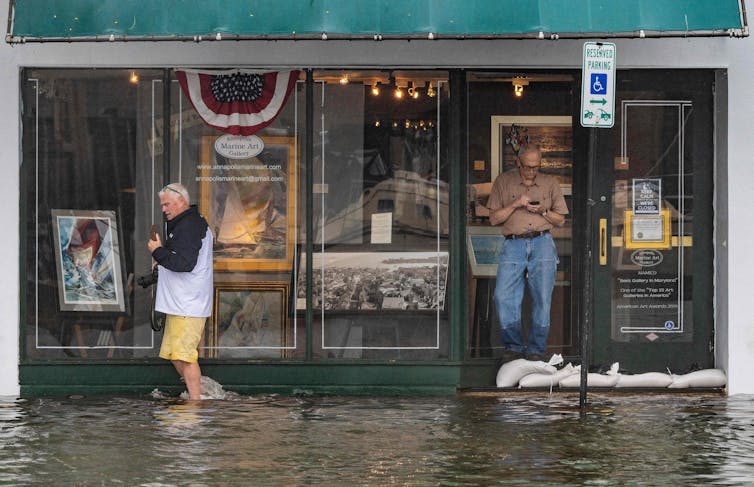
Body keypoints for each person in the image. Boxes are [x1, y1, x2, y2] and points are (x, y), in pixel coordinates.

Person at [486, 145, 568, 363]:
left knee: (542, 296)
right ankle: (513, 347)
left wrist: (542, 210)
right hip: (513, 243)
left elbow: (561, 220)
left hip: (543, 241)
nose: (532, 171)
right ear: (518, 163)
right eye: (528, 167)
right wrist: (516, 203)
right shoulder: (504, 181)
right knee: (503, 296)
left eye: (536, 167)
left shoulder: (550, 183)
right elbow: (494, 219)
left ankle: (536, 349)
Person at [147, 183, 213, 400]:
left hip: (188, 303)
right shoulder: (184, 225)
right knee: (175, 356)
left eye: (167, 204)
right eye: (162, 205)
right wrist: (162, 257)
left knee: (184, 356)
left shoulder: (190, 226)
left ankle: (196, 404)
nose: (164, 209)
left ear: (181, 201)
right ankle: (199, 393)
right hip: (179, 302)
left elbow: (184, 263)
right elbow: (179, 256)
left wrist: (157, 252)